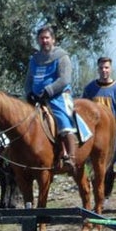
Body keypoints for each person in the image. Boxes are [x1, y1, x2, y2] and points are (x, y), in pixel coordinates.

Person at [25, 24, 78, 173]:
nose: (44, 41)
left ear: (53, 39)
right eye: (41, 38)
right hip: (36, 98)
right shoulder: (35, 59)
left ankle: (71, 157)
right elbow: (28, 80)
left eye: (47, 38)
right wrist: (29, 93)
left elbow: (64, 79)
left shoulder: (61, 57)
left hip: (58, 96)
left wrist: (48, 91)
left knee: (62, 120)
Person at [82, 56, 116, 188]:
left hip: (111, 131)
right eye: (101, 68)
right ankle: (96, 191)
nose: (104, 70)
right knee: (94, 164)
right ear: (98, 69)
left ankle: (106, 194)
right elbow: (83, 108)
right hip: (93, 132)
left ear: (110, 69)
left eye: (106, 67)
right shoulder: (90, 89)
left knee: (110, 165)